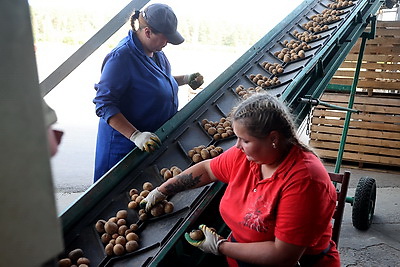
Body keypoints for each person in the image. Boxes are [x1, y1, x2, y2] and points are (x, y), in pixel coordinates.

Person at [141, 92, 340, 266]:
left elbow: (283, 256)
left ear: (273, 138)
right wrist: (163, 190)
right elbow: (207, 169)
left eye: (245, 140)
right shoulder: (246, 157)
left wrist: (221, 246)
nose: (237, 146)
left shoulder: (305, 181)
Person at [93, 3, 204, 182]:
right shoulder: (121, 58)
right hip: (124, 149)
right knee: (116, 202)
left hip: (151, 143)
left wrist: (184, 79)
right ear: (147, 32)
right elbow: (104, 104)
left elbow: (155, 83)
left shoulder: (156, 52)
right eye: (165, 38)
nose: (167, 43)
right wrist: (135, 135)